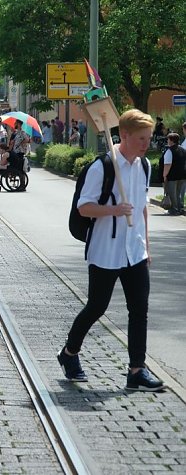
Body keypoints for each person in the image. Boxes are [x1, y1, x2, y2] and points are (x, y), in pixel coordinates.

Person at [58, 109, 163, 392]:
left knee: (139, 309)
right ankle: (69, 352)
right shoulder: (103, 167)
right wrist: (114, 210)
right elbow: (84, 207)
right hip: (106, 249)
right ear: (124, 135)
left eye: (149, 138)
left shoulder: (144, 166)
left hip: (135, 250)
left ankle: (137, 370)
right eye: (141, 138)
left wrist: (146, 246)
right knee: (97, 306)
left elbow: (142, 209)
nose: (146, 144)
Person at [161, 132, 186, 215]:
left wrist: (164, 175)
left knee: (172, 193)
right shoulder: (183, 150)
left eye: (168, 139)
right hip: (182, 175)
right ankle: (179, 208)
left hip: (172, 175)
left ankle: (173, 209)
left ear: (171, 140)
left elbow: (167, 164)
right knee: (178, 193)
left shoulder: (170, 151)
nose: (167, 141)